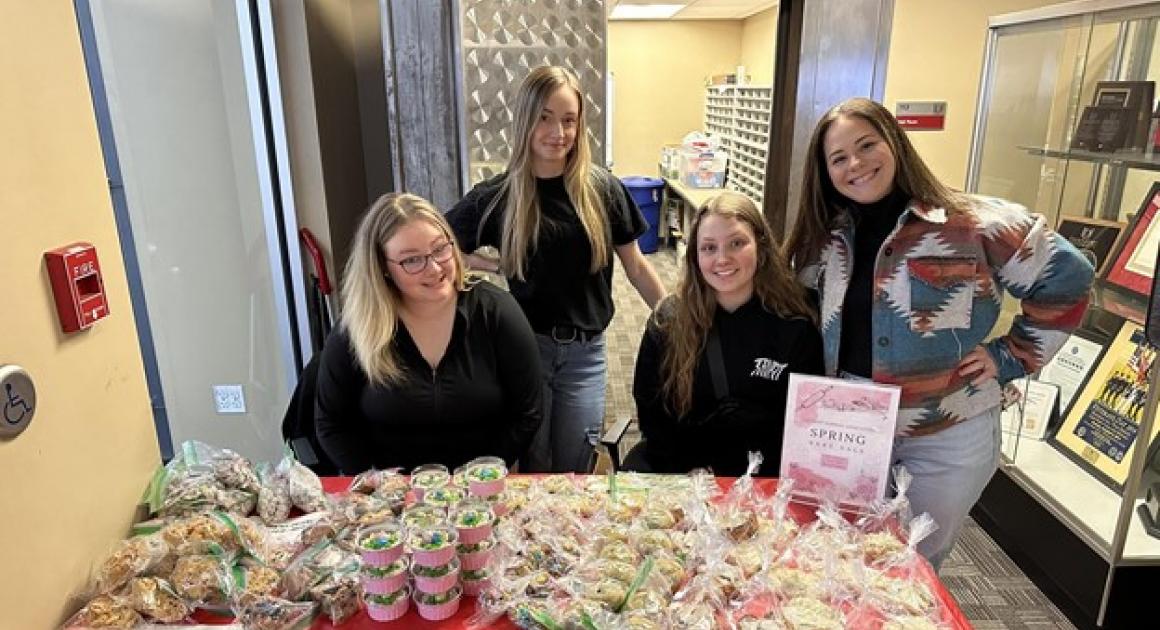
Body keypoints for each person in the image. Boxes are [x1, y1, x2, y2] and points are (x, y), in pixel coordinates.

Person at [784, 97, 1094, 568]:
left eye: (867, 145)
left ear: (896, 144)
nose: (856, 164)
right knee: (836, 558)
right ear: (825, 171)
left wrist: (1012, 355)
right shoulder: (823, 235)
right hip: (848, 424)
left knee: (912, 566)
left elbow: (1069, 278)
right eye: (839, 157)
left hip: (947, 431)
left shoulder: (974, 223)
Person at [447, 65, 667, 473]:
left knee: (575, 468)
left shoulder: (603, 190)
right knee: (532, 464)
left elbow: (636, 266)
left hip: (587, 353)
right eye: (545, 118)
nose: (558, 132)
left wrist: (676, 318)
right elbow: (440, 246)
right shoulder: (500, 195)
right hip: (525, 348)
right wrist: (491, 264)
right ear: (526, 120)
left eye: (569, 120)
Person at [315, 192, 543, 473]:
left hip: (481, 490)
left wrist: (481, 475)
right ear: (382, 269)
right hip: (389, 499)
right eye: (411, 260)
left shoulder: (496, 311)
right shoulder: (357, 326)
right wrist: (376, 483)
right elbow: (331, 423)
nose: (434, 268)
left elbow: (527, 412)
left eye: (440, 249)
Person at [629, 191, 823, 477]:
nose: (723, 259)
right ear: (695, 255)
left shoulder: (795, 322)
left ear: (761, 245)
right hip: (687, 477)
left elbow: (807, 424)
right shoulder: (668, 322)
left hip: (765, 482)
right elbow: (652, 415)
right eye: (709, 247)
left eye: (737, 243)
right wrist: (686, 469)